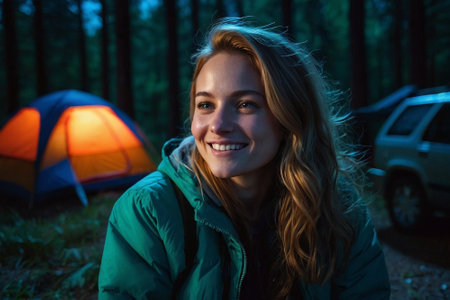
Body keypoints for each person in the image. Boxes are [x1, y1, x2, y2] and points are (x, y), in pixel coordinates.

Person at [98, 19, 390, 299]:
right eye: (205, 105)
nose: (218, 125)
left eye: (245, 104)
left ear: (289, 116)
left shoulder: (337, 204)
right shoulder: (149, 211)